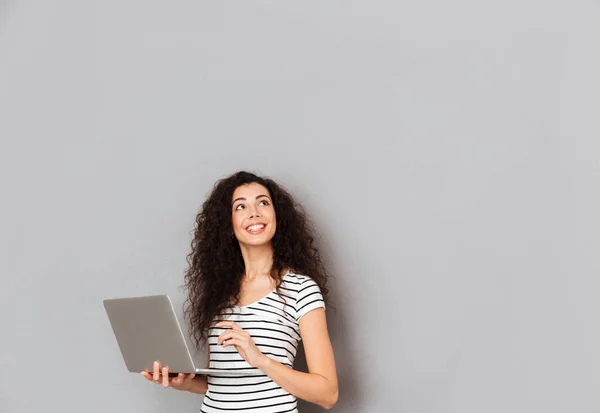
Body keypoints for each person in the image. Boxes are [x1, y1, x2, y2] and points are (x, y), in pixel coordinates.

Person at [141, 171, 338, 412]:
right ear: (228, 223)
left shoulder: (301, 289)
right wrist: (181, 383)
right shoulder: (219, 292)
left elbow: (327, 394)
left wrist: (261, 360)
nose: (254, 212)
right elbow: (219, 383)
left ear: (277, 215)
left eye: (263, 202)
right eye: (240, 206)